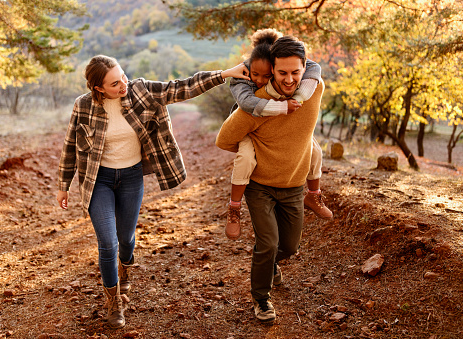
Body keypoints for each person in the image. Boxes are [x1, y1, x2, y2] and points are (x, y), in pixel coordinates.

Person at [56, 55, 249, 329]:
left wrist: (227, 73)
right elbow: (70, 147)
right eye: (114, 84)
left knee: (126, 239)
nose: (123, 84)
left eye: (123, 76)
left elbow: (183, 87)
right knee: (108, 243)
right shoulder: (83, 106)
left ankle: (126, 268)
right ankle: (114, 303)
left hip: (132, 177)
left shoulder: (141, 91)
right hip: (98, 180)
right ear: (98, 88)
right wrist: (63, 185)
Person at [215, 36, 325, 323]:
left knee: (289, 246)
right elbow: (224, 139)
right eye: (282, 73)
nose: (289, 79)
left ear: (305, 69)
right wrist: (253, 149)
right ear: (272, 70)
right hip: (260, 187)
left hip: (293, 185)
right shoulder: (255, 104)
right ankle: (261, 299)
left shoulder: (315, 90)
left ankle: (269, 265)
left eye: (295, 72)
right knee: (268, 243)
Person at [224, 29, 332, 240]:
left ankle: (313, 195)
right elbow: (246, 103)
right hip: (250, 124)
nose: (261, 79)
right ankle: (234, 208)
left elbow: (313, 67)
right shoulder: (243, 74)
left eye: (267, 75)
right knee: (245, 157)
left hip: (281, 123)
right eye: (257, 74)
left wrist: (299, 96)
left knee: (314, 150)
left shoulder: (294, 70)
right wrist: (281, 107)